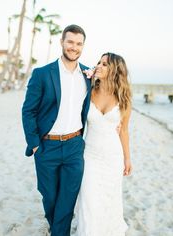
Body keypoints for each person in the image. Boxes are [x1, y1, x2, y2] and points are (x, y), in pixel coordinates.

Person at [22, 24, 91, 236]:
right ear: (62, 42)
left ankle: (59, 232)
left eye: (79, 44)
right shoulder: (43, 73)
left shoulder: (88, 76)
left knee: (68, 198)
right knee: (50, 196)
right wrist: (34, 143)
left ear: (83, 46)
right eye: (70, 42)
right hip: (46, 146)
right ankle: (57, 228)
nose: (74, 47)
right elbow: (28, 110)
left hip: (74, 146)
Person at [76, 52, 132, 236]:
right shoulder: (87, 91)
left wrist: (127, 159)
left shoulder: (124, 98)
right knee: (89, 201)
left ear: (115, 70)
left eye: (105, 64)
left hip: (113, 157)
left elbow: (123, 130)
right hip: (90, 155)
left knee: (109, 201)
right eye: (98, 62)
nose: (99, 65)